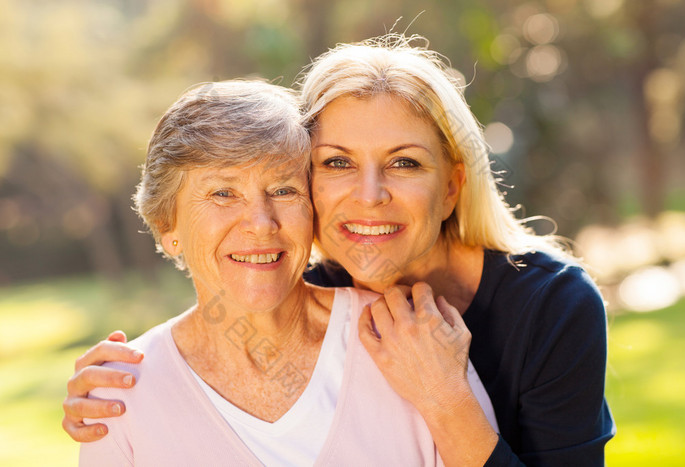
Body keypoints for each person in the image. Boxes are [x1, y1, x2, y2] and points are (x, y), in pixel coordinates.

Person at [64, 35, 614, 466]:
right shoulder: (309, 285)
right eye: (336, 163)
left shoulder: (550, 304)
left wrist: (444, 398)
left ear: (451, 186)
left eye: (404, 162)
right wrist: (134, 380)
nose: (369, 196)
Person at [76, 79, 498, 466]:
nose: (261, 222)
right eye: (223, 193)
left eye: (283, 190)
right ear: (169, 227)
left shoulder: (415, 338)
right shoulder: (120, 396)